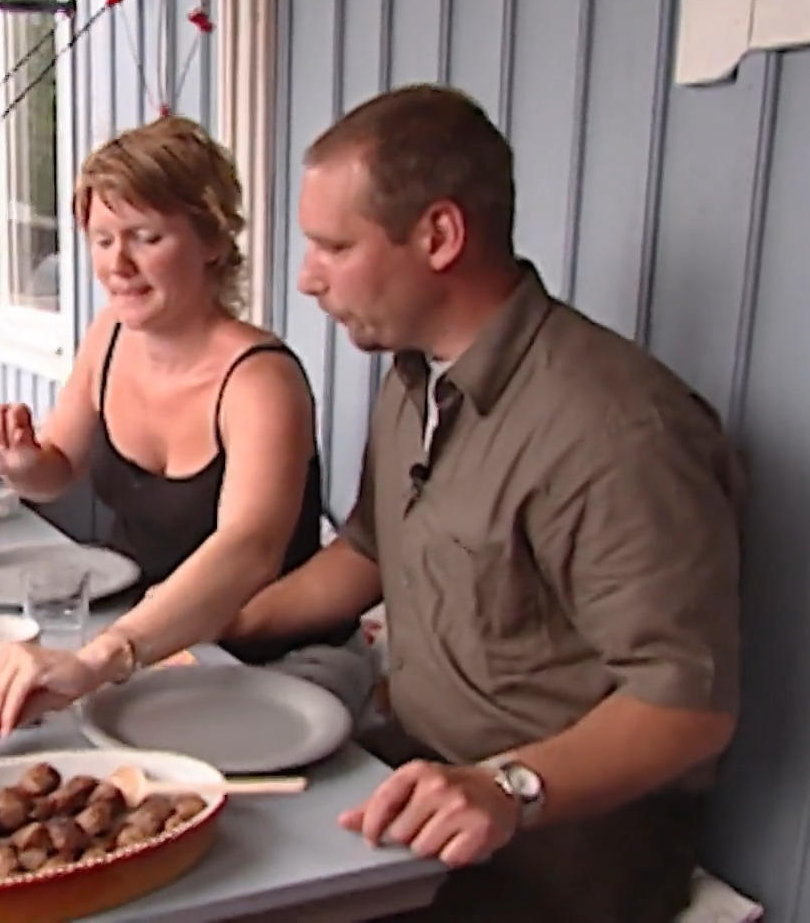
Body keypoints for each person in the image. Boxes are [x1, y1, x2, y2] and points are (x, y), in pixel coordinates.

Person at [221, 84, 744, 922]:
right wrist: (212, 628)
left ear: (438, 236)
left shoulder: (618, 429)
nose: (308, 278)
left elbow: (686, 708)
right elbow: (368, 553)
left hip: (554, 855)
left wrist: (508, 790)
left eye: (332, 246)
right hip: (400, 777)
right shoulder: (414, 375)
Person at [0, 115, 353, 745]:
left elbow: (247, 550)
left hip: (275, 661)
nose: (118, 263)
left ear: (211, 241)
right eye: (101, 238)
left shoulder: (260, 381)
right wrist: (17, 463)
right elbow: (56, 468)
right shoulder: (108, 338)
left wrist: (101, 657)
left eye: (145, 237)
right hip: (150, 642)